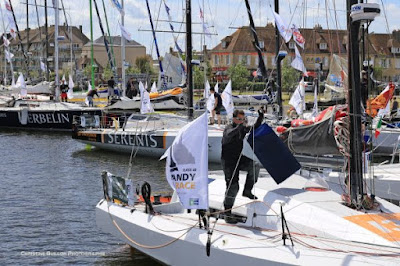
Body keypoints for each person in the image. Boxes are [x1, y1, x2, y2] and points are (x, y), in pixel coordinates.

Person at [221, 109, 264, 224]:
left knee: (255, 165)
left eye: (243, 119)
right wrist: (241, 126)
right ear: (234, 119)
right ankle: (227, 213)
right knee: (233, 187)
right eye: (239, 119)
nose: (241, 121)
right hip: (229, 162)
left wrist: (260, 117)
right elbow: (228, 135)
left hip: (239, 159)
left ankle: (247, 190)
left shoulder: (242, 128)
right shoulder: (228, 128)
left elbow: (254, 127)